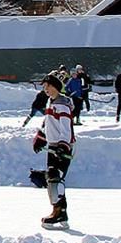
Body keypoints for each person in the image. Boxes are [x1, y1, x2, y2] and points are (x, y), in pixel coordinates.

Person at [30, 73, 76, 228]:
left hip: (62, 147)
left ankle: (59, 212)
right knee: (52, 178)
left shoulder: (62, 105)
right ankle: (59, 212)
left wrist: (63, 145)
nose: (45, 89)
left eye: (47, 86)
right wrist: (41, 137)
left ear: (55, 87)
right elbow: (48, 123)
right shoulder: (51, 102)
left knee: (57, 178)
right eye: (44, 87)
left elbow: (66, 128)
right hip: (52, 146)